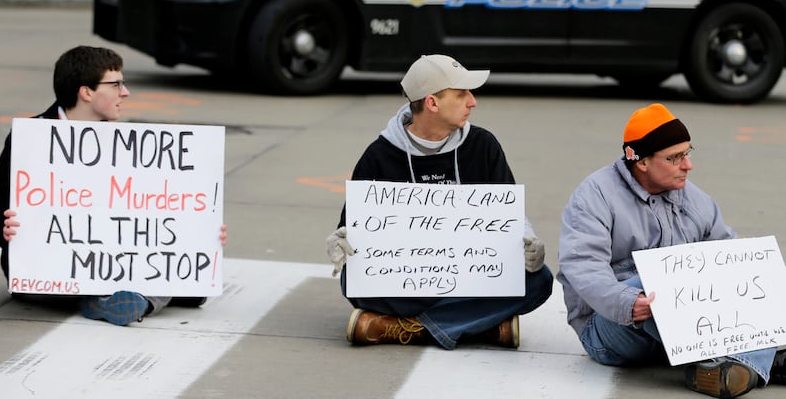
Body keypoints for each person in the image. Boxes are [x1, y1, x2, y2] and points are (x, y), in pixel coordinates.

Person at [557, 103, 786, 398]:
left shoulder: (694, 197)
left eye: (687, 153)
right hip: (613, 325)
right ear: (641, 162)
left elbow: (730, 256)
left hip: (675, 328)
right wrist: (627, 301)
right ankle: (753, 361)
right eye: (674, 158)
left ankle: (729, 369)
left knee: (753, 272)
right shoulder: (595, 196)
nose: (687, 165)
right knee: (660, 282)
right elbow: (583, 267)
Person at [325, 54, 553, 350]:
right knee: (351, 280)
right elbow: (350, 230)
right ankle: (475, 323)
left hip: (470, 276)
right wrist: (340, 239)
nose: (473, 102)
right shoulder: (379, 155)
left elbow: (509, 215)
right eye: (461, 95)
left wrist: (529, 241)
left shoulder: (483, 146)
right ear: (432, 103)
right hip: (410, 280)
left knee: (540, 280)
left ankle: (400, 328)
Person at [0, 45, 227, 326]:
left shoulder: (127, 146)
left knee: (176, 277)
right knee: (161, 286)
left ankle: (119, 300)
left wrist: (199, 234)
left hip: (109, 265)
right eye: (116, 84)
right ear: (87, 92)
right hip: (47, 269)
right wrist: (5, 227)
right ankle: (130, 300)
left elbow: (151, 213)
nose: (125, 92)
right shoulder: (30, 140)